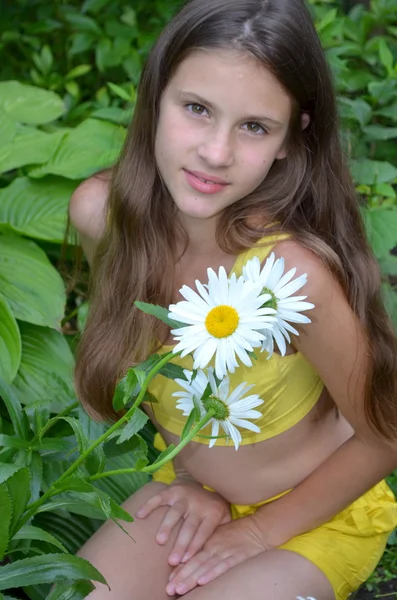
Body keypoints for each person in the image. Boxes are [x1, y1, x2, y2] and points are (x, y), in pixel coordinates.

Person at [69, 0, 397, 599]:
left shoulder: (290, 274)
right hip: (194, 488)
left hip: (314, 512)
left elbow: (386, 435)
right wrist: (197, 478)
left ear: (289, 139)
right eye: (196, 109)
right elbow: (145, 362)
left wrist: (259, 533)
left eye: (253, 126)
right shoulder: (103, 216)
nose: (215, 154)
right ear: (154, 97)